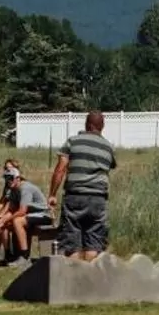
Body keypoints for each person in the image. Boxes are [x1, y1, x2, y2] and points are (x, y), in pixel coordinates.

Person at [48, 110, 116, 261]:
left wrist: (52, 194)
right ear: (102, 126)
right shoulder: (109, 147)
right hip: (98, 199)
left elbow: (61, 168)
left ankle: (75, 280)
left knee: (72, 241)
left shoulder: (73, 141)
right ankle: (89, 281)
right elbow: (110, 166)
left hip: (75, 196)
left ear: (87, 124)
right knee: (93, 243)